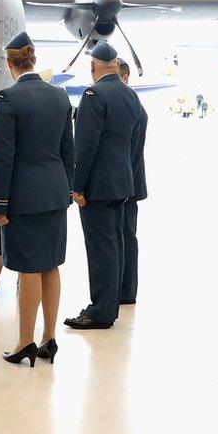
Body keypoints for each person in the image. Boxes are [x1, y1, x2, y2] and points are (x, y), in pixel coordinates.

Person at [0, 32, 74, 366]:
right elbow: (69, 150)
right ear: (33, 60)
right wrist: (67, 189)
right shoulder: (60, 96)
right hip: (54, 193)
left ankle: (25, 341)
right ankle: (49, 338)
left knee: (28, 269)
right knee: (51, 264)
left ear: (10, 64)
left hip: (23, 197)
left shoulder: (9, 98)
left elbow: (4, 157)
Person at [65, 41, 141, 330]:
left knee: (100, 249)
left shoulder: (94, 95)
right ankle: (110, 304)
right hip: (122, 182)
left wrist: (78, 186)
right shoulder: (129, 95)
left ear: (93, 67)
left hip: (97, 186)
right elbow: (132, 139)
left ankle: (100, 311)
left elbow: (85, 147)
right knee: (116, 245)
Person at [117, 59, 148, 305]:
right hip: (127, 184)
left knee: (126, 238)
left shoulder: (133, 106)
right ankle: (123, 289)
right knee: (125, 237)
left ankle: (126, 291)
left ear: (125, 76)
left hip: (127, 186)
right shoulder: (130, 104)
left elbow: (131, 153)